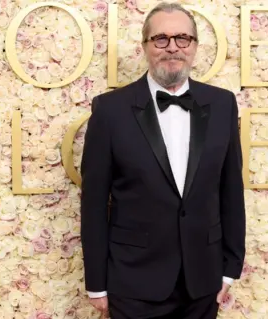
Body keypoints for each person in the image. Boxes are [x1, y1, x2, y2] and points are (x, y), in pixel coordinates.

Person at [80, 2, 246, 318]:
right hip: (133, 283)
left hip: (203, 280)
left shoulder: (223, 105)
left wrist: (229, 269)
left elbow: (230, 192)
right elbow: (94, 203)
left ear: (195, 47)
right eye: (161, 39)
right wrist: (97, 284)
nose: (172, 47)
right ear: (145, 46)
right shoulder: (109, 110)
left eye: (182, 38)